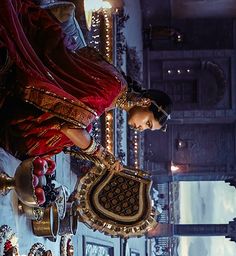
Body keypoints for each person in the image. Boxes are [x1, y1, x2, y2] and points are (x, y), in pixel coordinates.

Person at [0, 0, 172, 164]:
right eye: (148, 123)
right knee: (73, 132)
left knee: (84, 131)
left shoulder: (117, 88)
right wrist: (102, 155)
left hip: (49, 73)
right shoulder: (112, 90)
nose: (142, 128)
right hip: (37, 75)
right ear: (146, 102)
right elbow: (70, 127)